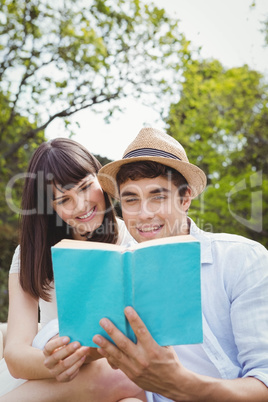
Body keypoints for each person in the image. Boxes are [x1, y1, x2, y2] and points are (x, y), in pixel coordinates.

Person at [89, 127, 267, 401]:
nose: (144, 214)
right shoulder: (119, 268)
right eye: (131, 200)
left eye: (158, 196)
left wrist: (179, 383)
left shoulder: (242, 259)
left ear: (185, 198)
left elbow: (264, 385)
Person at [0, 138, 145, 401]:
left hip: (124, 371)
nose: (81, 206)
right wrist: (55, 361)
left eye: (86, 187)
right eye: (64, 199)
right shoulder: (31, 254)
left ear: (100, 178)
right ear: (50, 208)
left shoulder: (134, 239)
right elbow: (16, 355)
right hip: (58, 370)